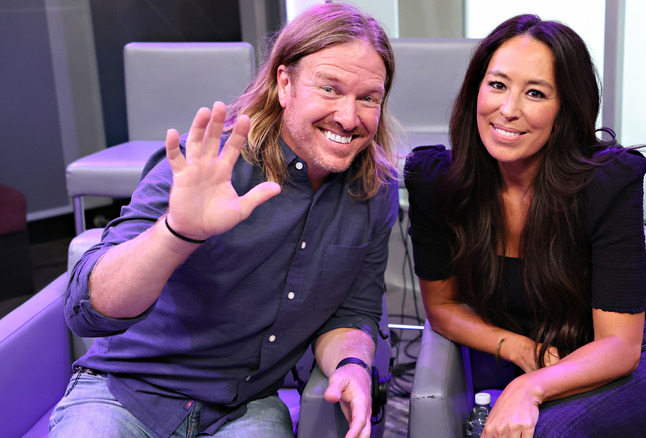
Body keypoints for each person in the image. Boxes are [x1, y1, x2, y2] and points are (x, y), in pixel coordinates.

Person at [50, 4, 398, 438]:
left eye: (369, 98)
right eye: (329, 89)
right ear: (285, 84)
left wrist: (352, 365)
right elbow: (88, 313)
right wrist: (177, 234)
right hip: (126, 393)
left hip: (245, 405)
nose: (349, 118)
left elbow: (353, 309)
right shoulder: (207, 168)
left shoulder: (373, 189)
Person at [405, 14, 646, 437]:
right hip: (533, 365)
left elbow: (620, 346)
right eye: (498, 85)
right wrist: (520, 349)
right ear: (475, 92)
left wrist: (530, 386)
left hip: (628, 372)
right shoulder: (437, 182)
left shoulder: (606, 183)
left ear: (564, 113)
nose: (508, 109)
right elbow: (443, 308)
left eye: (536, 93)